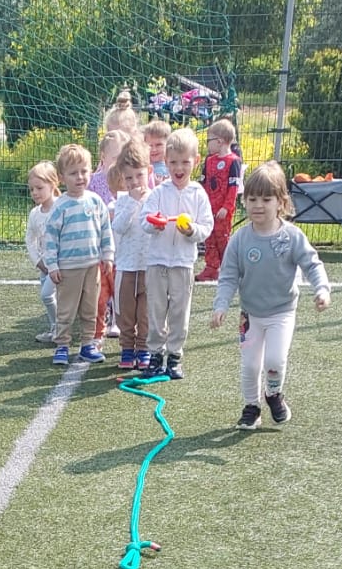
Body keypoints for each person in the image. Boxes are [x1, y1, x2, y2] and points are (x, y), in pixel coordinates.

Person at [210, 160, 330, 428]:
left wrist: (322, 289)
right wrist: (221, 306)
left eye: (266, 199)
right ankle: (252, 407)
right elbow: (228, 276)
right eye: (252, 199)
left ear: (281, 202)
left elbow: (312, 264)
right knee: (250, 365)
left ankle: (273, 394)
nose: (258, 205)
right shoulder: (240, 239)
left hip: (281, 313)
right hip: (250, 314)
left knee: (275, 360)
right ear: (244, 201)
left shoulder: (292, 237)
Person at [140, 126, 213, 382]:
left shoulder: (198, 193)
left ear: (196, 161)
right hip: (157, 262)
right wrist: (155, 224)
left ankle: (174, 355)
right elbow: (145, 220)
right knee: (156, 310)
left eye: (184, 162)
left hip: (182, 263)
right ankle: (155, 353)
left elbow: (206, 226)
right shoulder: (159, 192)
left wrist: (191, 230)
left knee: (180, 311)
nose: (178, 168)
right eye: (173, 162)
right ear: (165, 161)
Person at [41, 141, 114, 366]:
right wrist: (52, 265)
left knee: (90, 308)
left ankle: (88, 344)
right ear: (62, 177)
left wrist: (108, 255)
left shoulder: (96, 201)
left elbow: (105, 230)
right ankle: (62, 345)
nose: (80, 177)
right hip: (68, 268)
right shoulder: (60, 206)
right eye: (73, 173)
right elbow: (50, 238)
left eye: (84, 171)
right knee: (66, 309)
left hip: (92, 266)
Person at [109, 137, 151, 371]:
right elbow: (119, 226)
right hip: (126, 265)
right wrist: (133, 203)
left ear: (148, 172)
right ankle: (127, 348)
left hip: (149, 265)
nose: (134, 182)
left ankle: (143, 348)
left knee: (145, 312)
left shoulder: (156, 197)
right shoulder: (123, 201)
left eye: (139, 175)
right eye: (128, 178)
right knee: (126, 311)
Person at [87, 131, 124, 343]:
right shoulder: (94, 181)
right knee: (102, 281)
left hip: (120, 239)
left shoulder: (127, 179)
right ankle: (102, 318)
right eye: (115, 157)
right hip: (100, 239)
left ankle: (117, 319)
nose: (119, 163)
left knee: (118, 279)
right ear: (103, 156)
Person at [197, 117, 243, 284]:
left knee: (222, 238)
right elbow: (203, 183)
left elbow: (233, 188)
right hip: (208, 208)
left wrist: (227, 207)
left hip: (223, 210)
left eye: (208, 141)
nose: (207, 145)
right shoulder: (209, 161)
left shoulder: (233, 162)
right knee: (209, 238)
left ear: (219, 141)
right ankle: (211, 267)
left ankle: (228, 267)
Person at [24, 159, 60, 344]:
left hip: (63, 265)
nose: (35, 193)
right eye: (32, 189)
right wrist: (38, 262)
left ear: (53, 184)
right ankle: (56, 329)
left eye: (39, 188)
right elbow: (30, 240)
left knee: (47, 295)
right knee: (50, 297)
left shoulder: (62, 207)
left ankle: (61, 329)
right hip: (45, 266)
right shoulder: (35, 213)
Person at [143, 120, 170, 184]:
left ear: (167, 144)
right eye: (150, 145)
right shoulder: (143, 166)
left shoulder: (171, 165)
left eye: (158, 145)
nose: (154, 149)